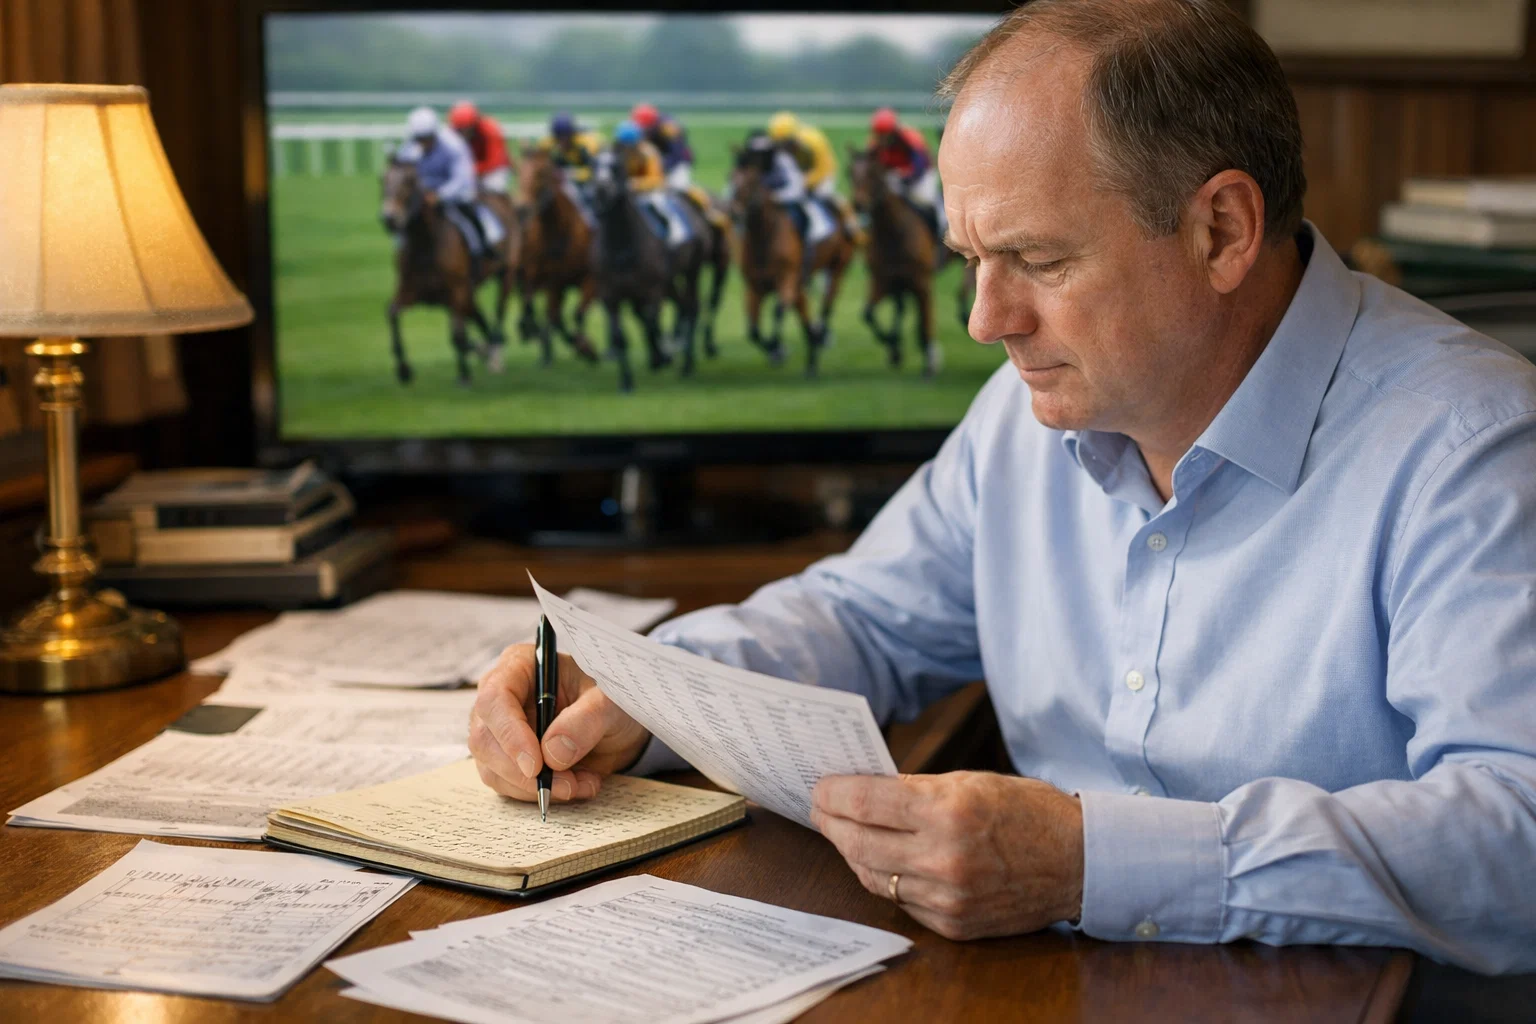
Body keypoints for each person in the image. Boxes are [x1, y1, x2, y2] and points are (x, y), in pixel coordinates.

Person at [469, 0, 1536, 976]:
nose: (988, 320)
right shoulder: (1031, 407)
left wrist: (1087, 861)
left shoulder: (1472, 447)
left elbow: (1517, 834)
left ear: (1222, 230)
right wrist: (637, 690)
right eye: (970, 258)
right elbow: (864, 617)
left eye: (1036, 258)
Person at [395, 105, 503, 260]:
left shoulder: (454, 145)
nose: (422, 143)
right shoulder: (409, 147)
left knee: (473, 212)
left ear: (434, 133)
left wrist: (440, 195)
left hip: (455, 193)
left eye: (426, 138)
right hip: (423, 195)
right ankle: (403, 252)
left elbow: (462, 179)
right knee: (404, 221)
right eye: (419, 139)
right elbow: (402, 172)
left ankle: (483, 246)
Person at [632, 102, 730, 234]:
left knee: (680, 187)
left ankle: (708, 211)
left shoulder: (668, 128)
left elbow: (676, 152)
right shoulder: (641, 129)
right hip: (659, 164)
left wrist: (661, 169)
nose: (642, 131)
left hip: (678, 163)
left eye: (644, 127)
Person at [768, 110, 864, 245]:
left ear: (794, 137)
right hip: (802, 173)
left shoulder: (813, 142)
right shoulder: (786, 147)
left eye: (786, 143)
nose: (783, 149)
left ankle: (853, 226)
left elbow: (821, 169)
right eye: (780, 144)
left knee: (824, 195)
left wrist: (805, 183)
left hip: (824, 172)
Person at [868, 107, 944, 244]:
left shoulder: (910, 136)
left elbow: (919, 165)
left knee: (927, 200)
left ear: (894, 131)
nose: (883, 139)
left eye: (886, 134)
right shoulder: (875, 142)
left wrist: (907, 179)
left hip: (921, 176)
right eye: (880, 134)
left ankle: (941, 230)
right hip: (895, 177)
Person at [610, 119, 691, 247]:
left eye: (629, 146)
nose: (626, 150)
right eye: (623, 145)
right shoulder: (616, 154)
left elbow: (657, 180)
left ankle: (676, 234)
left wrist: (635, 184)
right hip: (627, 193)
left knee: (660, 203)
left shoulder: (649, 153)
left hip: (650, 192)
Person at [447, 99, 513, 194]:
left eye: (467, 129)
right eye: (460, 130)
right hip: (469, 170)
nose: (464, 133)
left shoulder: (491, 129)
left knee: (495, 187)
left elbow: (495, 161)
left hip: (494, 170)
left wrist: (471, 171)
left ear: (475, 124)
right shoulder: (450, 133)